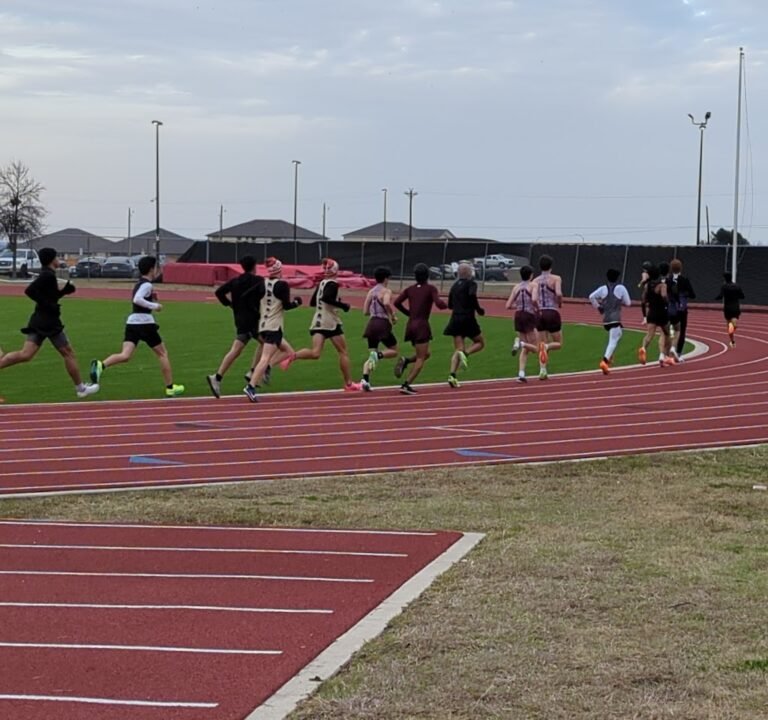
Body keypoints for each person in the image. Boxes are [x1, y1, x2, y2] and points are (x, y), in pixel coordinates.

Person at [0, 247, 99, 399]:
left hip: (39, 319)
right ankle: (81, 388)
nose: (59, 260)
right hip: (49, 322)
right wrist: (48, 304)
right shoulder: (48, 275)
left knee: (25, 355)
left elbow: (49, 297)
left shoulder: (48, 275)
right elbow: (30, 291)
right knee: (68, 353)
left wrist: (63, 292)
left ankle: (81, 388)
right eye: (57, 257)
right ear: (52, 260)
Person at [90, 255, 184, 397]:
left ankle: (100, 365)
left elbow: (139, 298)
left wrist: (151, 297)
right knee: (163, 354)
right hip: (145, 323)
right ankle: (170, 387)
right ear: (152, 269)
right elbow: (137, 299)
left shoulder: (139, 284)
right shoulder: (147, 284)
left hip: (132, 322)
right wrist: (155, 305)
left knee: (125, 355)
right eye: (157, 266)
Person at [279, 258, 361, 392]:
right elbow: (327, 298)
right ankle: (349, 383)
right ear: (336, 270)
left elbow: (313, 302)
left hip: (317, 320)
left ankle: (293, 356)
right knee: (343, 352)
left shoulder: (322, 283)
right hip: (330, 322)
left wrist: (330, 304)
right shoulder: (333, 284)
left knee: (315, 352)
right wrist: (343, 305)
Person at [206, 255, 268, 398]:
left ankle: (217, 377)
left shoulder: (235, 281)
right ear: (254, 267)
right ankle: (253, 371)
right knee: (268, 344)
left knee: (236, 350)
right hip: (254, 320)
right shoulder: (258, 281)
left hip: (240, 319)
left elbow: (219, 292)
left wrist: (230, 304)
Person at [243, 257, 302, 401]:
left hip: (263, 325)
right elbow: (286, 306)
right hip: (274, 326)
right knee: (265, 357)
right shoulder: (282, 285)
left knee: (290, 352)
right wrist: (296, 303)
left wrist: (258, 311)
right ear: (279, 269)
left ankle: (267, 367)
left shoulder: (262, 283)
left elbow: (246, 297)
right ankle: (251, 384)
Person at [393, 263, 448, 395]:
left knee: (425, 354)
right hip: (422, 325)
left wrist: (409, 314)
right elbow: (439, 303)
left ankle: (406, 361)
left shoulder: (410, 289)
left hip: (411, 325)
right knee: (421, 358)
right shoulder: (430, 288)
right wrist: (447, 305)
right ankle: (406, 384)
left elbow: (396, 303)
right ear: (428, 275)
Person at [444, 262, 485, 388]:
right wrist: (478, 309)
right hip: (468, 318)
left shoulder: (454, 286)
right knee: (480, 342)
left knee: (457, 348)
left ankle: (452, 375)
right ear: (468, 273)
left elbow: (450, 304)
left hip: (455, 318)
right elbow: (472, 295)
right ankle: (466, 353)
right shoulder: (471, 284)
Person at [360, 266, 399, 391]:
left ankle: (365, 379)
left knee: (372, 353)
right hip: (382, 323)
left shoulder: (371, 292)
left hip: (371, 324)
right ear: (386, 278)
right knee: (394, 350)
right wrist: (392, 315)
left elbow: (365, 311)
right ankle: (379, 355)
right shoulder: (386, 291)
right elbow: (387, 303)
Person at [588, 268, 632, 374]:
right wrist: (620, 301)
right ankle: (605, 360)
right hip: (615, 318)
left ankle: (610, 356)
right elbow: (628, 303)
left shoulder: (603, 289)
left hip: (606, 319)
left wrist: (598, 307)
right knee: (612, 341)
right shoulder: (621, 288)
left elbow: (591, 297)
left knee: (618, 334)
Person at [531, 254, 563, 380]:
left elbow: (533, 298)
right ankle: (548, 347)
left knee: (541, 343)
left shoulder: (535, 281)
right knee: (558, 343)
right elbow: (559, 293)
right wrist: (559, 302)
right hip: (552, 311)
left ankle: (542, 370)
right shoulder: (556, 278)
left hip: (539, 313)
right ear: (551, 266)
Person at [505, 264, 538, 383]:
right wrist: (537, 309)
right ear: (531, 275)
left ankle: (521, 373)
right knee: (535, 348)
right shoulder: (533, 285)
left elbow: (508, 305)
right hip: (528, 315)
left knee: (526, 349)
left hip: (518, 315)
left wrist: (518, 306)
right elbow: (534, 299)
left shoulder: (516, 287)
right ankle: (520, 343)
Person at [637, 264, 675, 367]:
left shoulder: (647, 285)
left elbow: (643, 300)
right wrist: (667, 302)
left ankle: (643, 348)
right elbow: (663, 295)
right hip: (662, 313)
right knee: (668, 333)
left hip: (651, 312)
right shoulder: (662, 285)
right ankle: (663, 355)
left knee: (649, 335)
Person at [667, 258, 696, 361]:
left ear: (671, 268)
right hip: (682, 309)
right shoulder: (684, 280)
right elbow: (693, 295)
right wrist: (684, 295)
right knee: (681, 331)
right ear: (681, 268)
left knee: (669, 330)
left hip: (670, 308)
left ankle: (668, 351)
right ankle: (678, 353)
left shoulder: (668, 280)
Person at [716, 272, 745, 348]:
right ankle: (734, 326)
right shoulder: (737, 286)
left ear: (725, 279)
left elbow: (720, 296)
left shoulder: (724, 287)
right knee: (733, 320)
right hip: (735, 306)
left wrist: (716, 298)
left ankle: (732, 341)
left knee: (729, 325)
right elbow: (742, 296)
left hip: (727, 307)